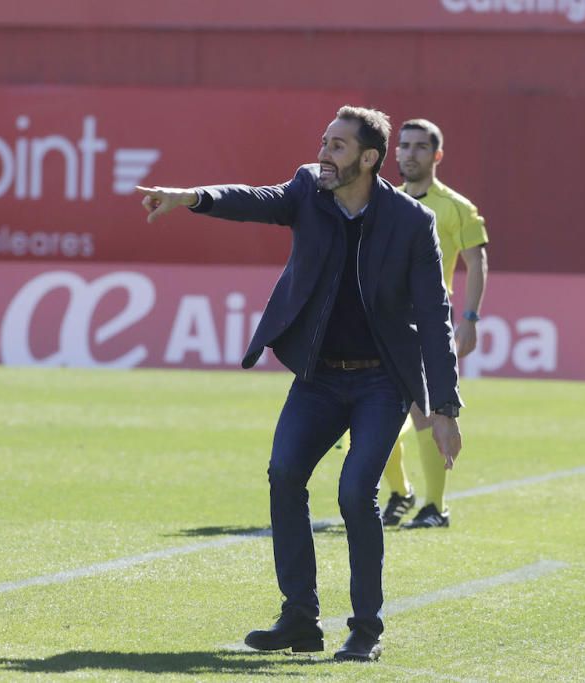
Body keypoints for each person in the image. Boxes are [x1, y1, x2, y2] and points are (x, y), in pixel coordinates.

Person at [136, 106, 463, 663]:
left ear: (368, 158)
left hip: (381, 382)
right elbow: (254, 200)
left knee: (356, 494)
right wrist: (192, 197)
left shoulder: (412, 221)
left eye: (337, 146)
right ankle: (299, 619)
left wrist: (445, 408)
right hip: (318, 378)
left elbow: (434, 315)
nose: (323, 154)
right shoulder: (307, 190)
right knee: (284, 474)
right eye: (324, 142)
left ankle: (365, 630)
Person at [380, 119, 489, 530]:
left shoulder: (455, 207)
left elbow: (476, 260)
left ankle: (436, 507)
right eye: (403, 146)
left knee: (424, 415)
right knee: (372, 413)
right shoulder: (387, 201)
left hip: (427, 324)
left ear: (436, 155)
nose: (409, 153)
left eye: (420, 147)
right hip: (388, 322)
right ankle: (400, 493)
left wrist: (470, 317)